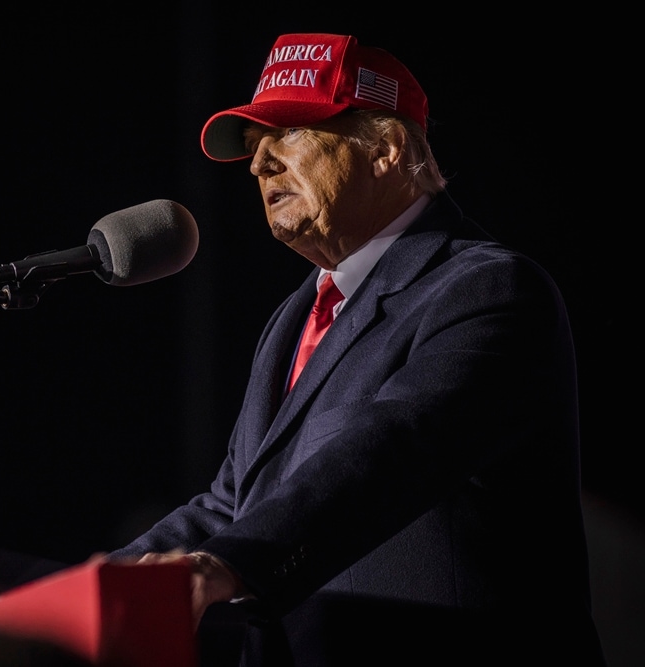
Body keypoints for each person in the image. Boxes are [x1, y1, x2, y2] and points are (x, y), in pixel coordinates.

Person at [106, 33, 606, 666]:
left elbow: (395, 448)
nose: (259, 165)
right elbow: (231, 504)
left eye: (286, 134)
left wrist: (229, 562)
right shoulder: (294, 320)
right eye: (255, 147)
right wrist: (86, 590)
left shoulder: (491, 289)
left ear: (386, 149)